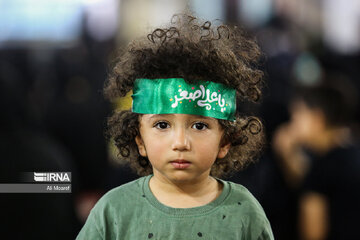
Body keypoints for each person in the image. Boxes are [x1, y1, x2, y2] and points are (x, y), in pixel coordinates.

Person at [76, 14, 274, 240]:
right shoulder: (112, 211)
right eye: (162, 124)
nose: (180, 142)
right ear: (139, 139)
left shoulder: (245, 212)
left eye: (199, 126)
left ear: (226, 140)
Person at [273, 80, 360, 240]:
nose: (292, 123)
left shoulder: (322, 167)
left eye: (297, 115)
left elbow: (313, 234)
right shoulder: (352, 153)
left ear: (317, 118)